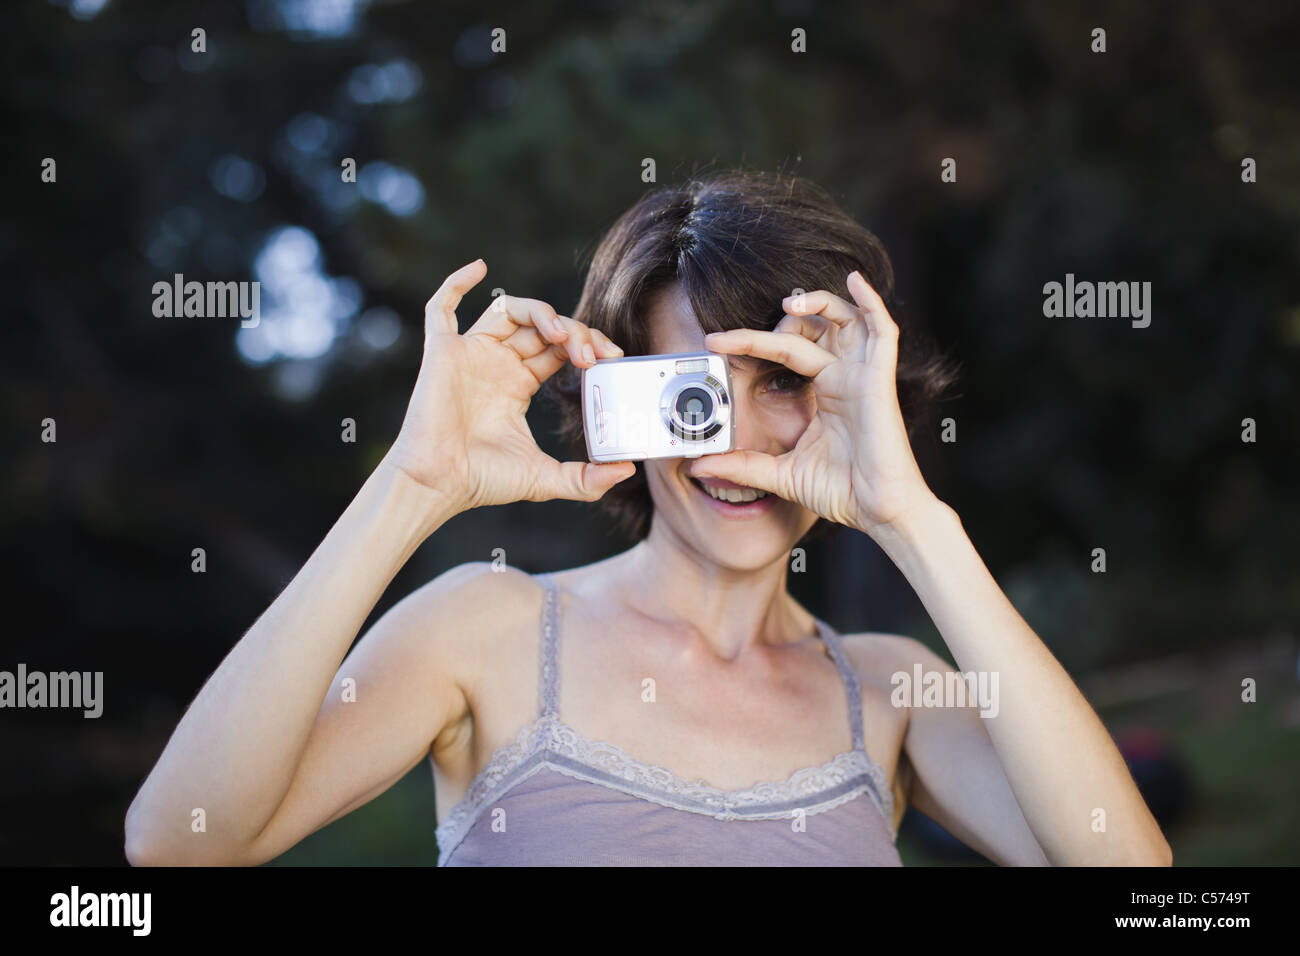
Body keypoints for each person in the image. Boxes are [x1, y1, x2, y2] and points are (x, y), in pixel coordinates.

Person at [123, 170, 1172, 867]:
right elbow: (177, 843)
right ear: (616, 400)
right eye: (691, 396)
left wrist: (910, 517)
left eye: (780, 382)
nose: (734, 446)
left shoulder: (891, 687)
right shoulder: (485, 629)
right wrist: (412, 481)